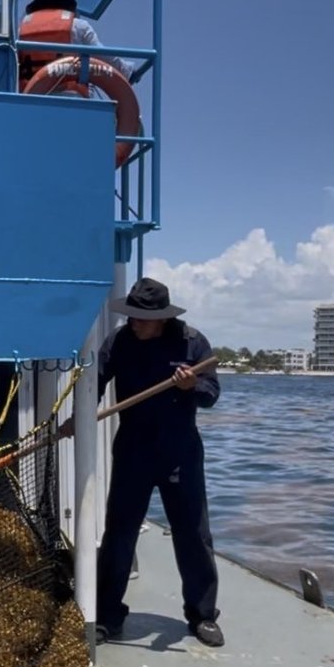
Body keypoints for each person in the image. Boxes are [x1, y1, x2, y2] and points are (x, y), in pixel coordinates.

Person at [89, 277, 223, 647]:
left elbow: (211, 393)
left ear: (162, 318)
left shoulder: (192, 342)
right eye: (130, 316)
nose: (134, 323)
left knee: (193, 534)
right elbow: (96, 381)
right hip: (133, 449)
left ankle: (202, 615)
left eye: (141, 318)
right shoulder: (119, 341)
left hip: (180, 451)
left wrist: (189, 386)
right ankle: (106, 615)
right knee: (119, 533)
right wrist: (80, 416)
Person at [18, 0, 135, 87]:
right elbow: (104, 56)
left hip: (31, 97)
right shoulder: (79, 26)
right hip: (71, 96)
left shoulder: (20, 31)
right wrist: (127, 72)